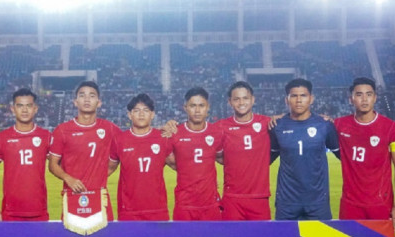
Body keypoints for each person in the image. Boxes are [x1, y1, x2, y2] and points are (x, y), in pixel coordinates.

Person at [334, 77, 395, 227]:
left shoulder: (391, 128)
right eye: (359, 95)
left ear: (375, 98)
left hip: (380, 203)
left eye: (369, 94)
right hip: (350, 204)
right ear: (351, 99)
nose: (364, 99)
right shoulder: (339, 124)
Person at [270, 78, 339, 220]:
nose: (299, 100)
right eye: (294, 96)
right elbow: (265, 160)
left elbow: (345, 156)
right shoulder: (277, 126)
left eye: (303, 95)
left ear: (311, 99)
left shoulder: (325, 125)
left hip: (317, 202)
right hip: (286, 202)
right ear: (286, 100)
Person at [49, 81, 120, 220]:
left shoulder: (109, 128)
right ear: (75, 102)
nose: (87, 99)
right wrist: (68, 179)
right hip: (72, 196)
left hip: (100, 197)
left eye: (92, 95)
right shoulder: (62, 130)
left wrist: (101, 175)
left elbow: (131, 139)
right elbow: (52, 165)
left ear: (98, 102)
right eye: (82, 95)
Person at [108, 93, 171, 221]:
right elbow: (107, 169)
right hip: (128, 211)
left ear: (152, 114)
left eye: (146, 110)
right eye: (136, 110)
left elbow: (181, 166)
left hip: (157, 210)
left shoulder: (163, 138)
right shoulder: (119, 140)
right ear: (129, 115)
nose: (141, 114)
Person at [216, 81, 273, 220]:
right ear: (230, 102)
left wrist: (320, 118)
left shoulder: (267, 123)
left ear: (253, 99)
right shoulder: (221, 127)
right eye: (236, 99)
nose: (241, 102)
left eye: (245, 98)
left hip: (259, 198)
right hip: (232, 198)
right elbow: (213, 153)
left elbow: (293, 119)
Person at [166, 87, 223, 221]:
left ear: (207, 107)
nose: (197, 111)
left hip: (211, 204)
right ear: (185, 107)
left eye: (201, 105)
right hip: (184, 204)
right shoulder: (174, 133)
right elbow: (171, 161)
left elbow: (222, 157)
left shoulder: (216, 132)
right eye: (193, 106)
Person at [0, 88, 51, 221]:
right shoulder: (2, 137)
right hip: (11, 210)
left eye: (29, 106)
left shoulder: (46, 136)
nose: (25, 110)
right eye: (20, 106)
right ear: (12, 109)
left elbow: (60, 165)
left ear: (35, 108)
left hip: (38, 209)